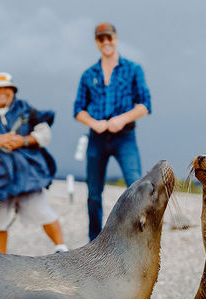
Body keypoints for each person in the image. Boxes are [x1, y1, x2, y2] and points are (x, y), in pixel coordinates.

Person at [0, 72, 69, 254]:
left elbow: (44, 135)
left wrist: (23, 141)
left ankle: (62, 248)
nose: (1, 92)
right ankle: (1, 258)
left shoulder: (28, 112)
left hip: (26, 175)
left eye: (5, 88)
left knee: (42, 211)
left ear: (12, 91)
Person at [74, 22, 152, 241]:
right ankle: (94, 241)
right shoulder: (89, 74)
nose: (106, 42)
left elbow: (145, 105)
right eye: (101, 39)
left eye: (109, 37)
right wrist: (93, 123)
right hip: (97, 138)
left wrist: (122, 119)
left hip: (124, 137)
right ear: (97, 42)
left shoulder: (133, 69)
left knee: (136, 185)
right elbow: (78, 110)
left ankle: (139, 237)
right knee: (93, 193)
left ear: (116, 38)